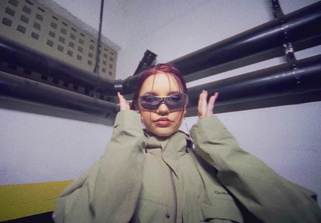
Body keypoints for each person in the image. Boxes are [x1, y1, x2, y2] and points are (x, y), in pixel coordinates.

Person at [52, 63, 321, 222]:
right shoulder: (115, 160)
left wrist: (213, 137)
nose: (162, 109)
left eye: (173, 99)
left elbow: (303, 214)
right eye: (150, 100)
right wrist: (125, 132)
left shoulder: (214, 168)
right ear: (137, 109)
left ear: (184, 108)